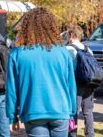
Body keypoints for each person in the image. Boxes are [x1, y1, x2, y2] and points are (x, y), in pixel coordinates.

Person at [6, 7, 76, 137]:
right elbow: (71, 84)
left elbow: (11, 89)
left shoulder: (17, 54)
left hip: (33, 110)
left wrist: (12, 116)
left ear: (26, 28)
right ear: (51, 27)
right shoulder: (63, 52)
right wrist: (72, 112)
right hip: (60, 110)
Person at [67, 25, 95, 137]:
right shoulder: (88, 49)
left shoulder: (68, 49)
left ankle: (72, 134)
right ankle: (90, 134)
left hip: (75, 84)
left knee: (74, 111)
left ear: (70, 35)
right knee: (88, 112)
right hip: (89, 83)